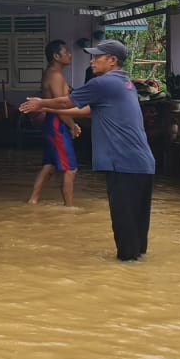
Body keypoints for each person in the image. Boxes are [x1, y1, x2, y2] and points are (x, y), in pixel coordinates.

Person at [19, 39, 155, 262]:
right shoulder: (124, 82)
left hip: (123, 163)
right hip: (142, 163)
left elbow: (66, 103)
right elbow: (90, 109)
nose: (91, 60)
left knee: (123, 225)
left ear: (112, 61)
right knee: (137, 228)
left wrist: (40, 103)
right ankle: (138, 273)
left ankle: (126, 277)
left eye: (97, 57)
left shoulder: (104, 82)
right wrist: (44, 106)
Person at [27, 40, 82, 206]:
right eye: (66, 52)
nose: (69, 55)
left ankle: (33, 200)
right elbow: (60, 106)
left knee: (49, 166)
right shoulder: (55, 75)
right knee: (71, 169)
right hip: (57, 123)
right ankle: (69, 208)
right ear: (56, 56)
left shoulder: (52, 73)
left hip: (52, 123)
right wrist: (72, 125)